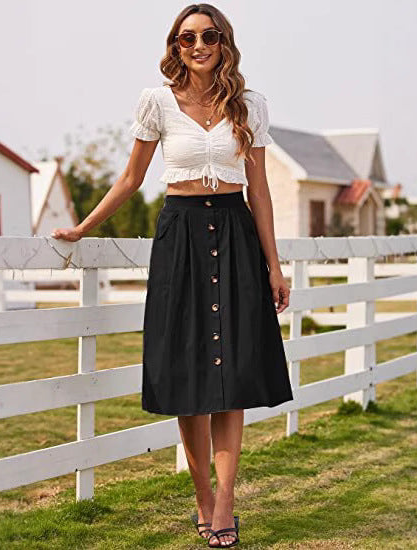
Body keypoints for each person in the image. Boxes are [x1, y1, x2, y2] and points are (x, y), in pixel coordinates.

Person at [51, 3, 293, 547]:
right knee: (187, 374)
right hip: (180, 235)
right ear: (176, 46)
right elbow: (132, 178)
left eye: (208, 36)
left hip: (234, 231)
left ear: (224, 42)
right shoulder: (156, 102)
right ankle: (203, 497)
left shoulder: (249, 105)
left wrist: (274, 266)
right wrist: (84, 226)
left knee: (232, 374)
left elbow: (259, 191)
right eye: (187, 38)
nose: (198, 45)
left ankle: (226, 502)